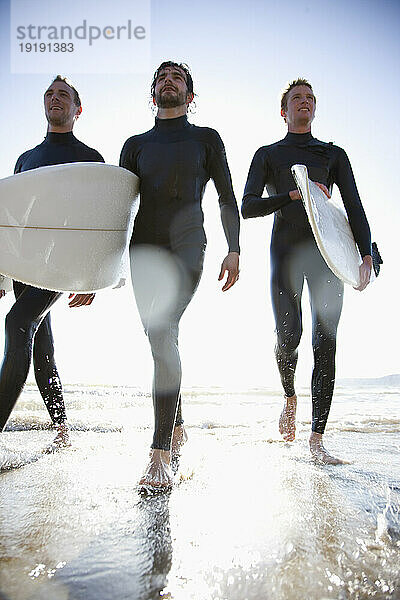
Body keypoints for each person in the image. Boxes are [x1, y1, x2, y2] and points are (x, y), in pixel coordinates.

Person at [120, 61, 240, 490]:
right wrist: (107, 267)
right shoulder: (135, 145)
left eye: (178, 77)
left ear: (191, 96)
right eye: (161, 77)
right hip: (143, 250)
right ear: (153, 94)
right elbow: (120, 209)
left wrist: (234, 248)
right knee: (159, 339)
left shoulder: (205, 139)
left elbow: (226, 196)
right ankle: (177, 424)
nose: (169, 81)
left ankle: (160, 454)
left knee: (164, 328)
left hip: (189, 244)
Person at [242, 78, 372, 464]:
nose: (304, 102)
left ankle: (317, 440)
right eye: (296, 98)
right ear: (284, 111)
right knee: (289, 337)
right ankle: (289, 395)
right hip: (285, 251)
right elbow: (249, 206)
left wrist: (365, 254)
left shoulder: (334, 154)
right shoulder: (268, 154)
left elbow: (354, 206)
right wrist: (293, 195)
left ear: (314, 109)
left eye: (310, 98)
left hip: (327, 256)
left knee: (325, 341)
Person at [0, 76, 104, 449]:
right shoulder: (26, 158)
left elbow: (101, 222)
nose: (54, 98)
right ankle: (63, 431)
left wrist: (93, 275)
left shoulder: (91, 159)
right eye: (49, 94)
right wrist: (2, 272)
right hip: (26, 263)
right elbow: (11, 217)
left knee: (18, 321)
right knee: (40, 344)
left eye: (63, 94)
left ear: (78, 109)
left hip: (61, 261)